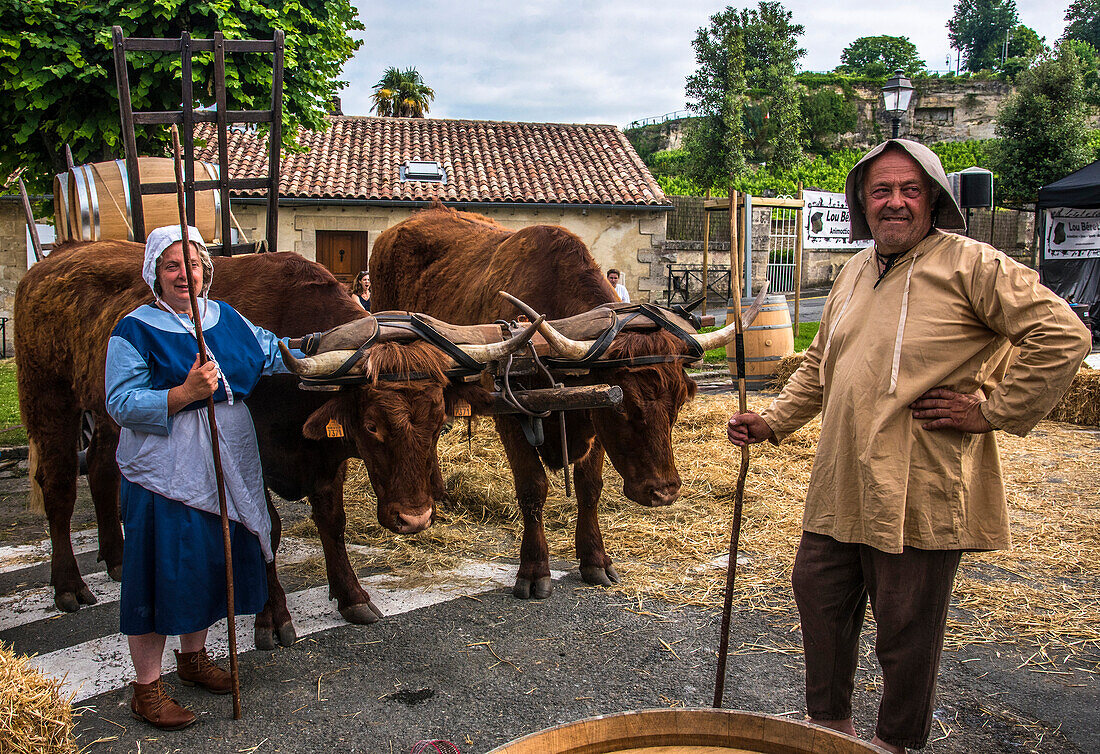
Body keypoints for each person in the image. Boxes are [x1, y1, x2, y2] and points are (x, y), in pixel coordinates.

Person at [726, 140, 1090, 753]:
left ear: (933, 199)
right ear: (862, 204)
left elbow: (1062, 334)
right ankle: (829, 731)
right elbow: (820, 363)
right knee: (820, 601)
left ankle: (897, 744)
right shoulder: (855, 269)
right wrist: (772, 421)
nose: (895, 202)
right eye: (881, 191)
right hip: (842, 476)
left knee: (906, 634)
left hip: (917, 481)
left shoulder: (972, 265)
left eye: (909, 190)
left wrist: (991, 410)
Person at [105, 226, 296, 730]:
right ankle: (146, 688)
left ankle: (193, 660)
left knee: (211, 565)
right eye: (171, 265)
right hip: (162, 471)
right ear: (154, 274)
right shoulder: (134, 329)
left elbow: (273, 352)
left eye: (192, 264)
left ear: (205, 271)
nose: (184, 274)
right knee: (160, 572)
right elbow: (120, 403)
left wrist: (339, 344)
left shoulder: (225, 317)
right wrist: (183, 392)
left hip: (225, 462)